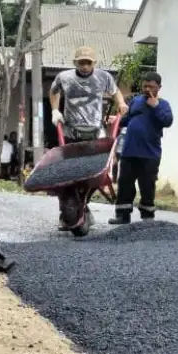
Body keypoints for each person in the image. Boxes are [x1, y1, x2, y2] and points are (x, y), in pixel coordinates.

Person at [48, 46, 128, 228]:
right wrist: (54, 110)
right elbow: (54, 91)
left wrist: (121, 103)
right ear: (75, 62)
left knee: (92, 175)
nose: (85, 66)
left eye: (88, 63)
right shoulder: (64, 77)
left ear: (94, 63)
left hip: (94, 133)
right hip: (70, 133)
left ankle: (83, 206)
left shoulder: (103, 77)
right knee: (69, 175)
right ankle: (67, 211)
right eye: (81, 62)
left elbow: (115, 91)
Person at [111, 72, 173, 224]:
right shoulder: (136, 101)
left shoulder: (163, 104)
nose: (147, 89)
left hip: (150, 154)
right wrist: (116, 120)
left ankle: (147, 217)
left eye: (151, 86)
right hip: (129, 151)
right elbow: (126, 120)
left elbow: (168, 121)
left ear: (159, 87)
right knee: (125, 183)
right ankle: (122, 215)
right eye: (145, 86)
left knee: (147, 185)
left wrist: (156, 107)